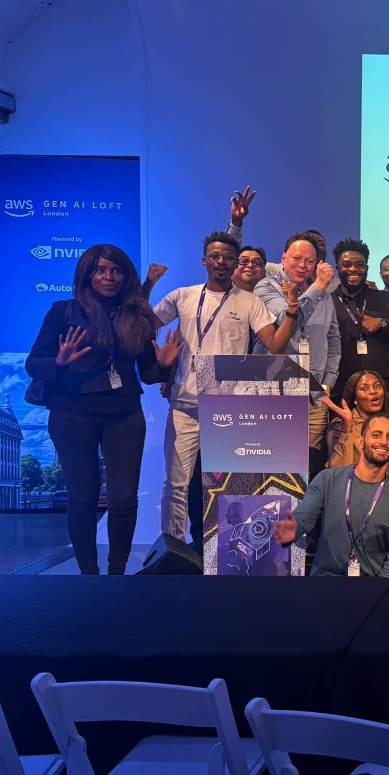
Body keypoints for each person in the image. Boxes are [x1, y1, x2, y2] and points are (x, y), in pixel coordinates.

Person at [26, 244, 176, 574]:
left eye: (117, 270)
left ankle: (116, 574)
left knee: (124, 498)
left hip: (124, 415)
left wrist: (165, 365)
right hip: (72, 414)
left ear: (126, 276)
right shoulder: (63, 311)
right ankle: (89, 575)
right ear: (87, 275)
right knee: (83, 497)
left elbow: (148, 373)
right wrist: (58, 362)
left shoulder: (136, 317)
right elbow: (33, 363)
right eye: (101, 270)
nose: (110, 277)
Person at [153, 231, 298, 542]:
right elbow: (144, 325)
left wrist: (292, 310)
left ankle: (225, 553)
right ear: (204, 260)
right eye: (215, 256)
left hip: (228, 408)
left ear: (234, 264)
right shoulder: (183, 296)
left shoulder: (249, 302)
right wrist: (160, 364)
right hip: (185, 405)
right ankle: (173, 550)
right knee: (176, 484)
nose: (221, 261)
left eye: (228, 257)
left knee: (230, 488)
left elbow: (275, 346)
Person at [272, 413, 389, 579]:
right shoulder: (327, 479)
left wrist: (380, 587)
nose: (383, 442)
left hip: (372, 585)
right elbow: (304, 518)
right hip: (326, 582)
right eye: (376, 435)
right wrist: (294, 529)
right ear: (360, 442)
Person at [254, 232, 341, 473]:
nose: (303, 266)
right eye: (297, 259)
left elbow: (334, 339)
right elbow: (288, 321)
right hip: (277, 389)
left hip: (314, 392)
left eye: (309, 261)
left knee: (310, 466)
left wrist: (328, 382)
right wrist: (319, 285)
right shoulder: (267, 287)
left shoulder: (323, 296)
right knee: (277, 465)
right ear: (283, 258)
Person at [329, 238, 389, 427]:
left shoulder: (386, 300)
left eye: (359, 265)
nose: (353, 269)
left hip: (383, 392)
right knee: (343, 444)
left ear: (367, 267)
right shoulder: (327, 302)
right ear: (337, 267)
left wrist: (382, 323)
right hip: (340, 391)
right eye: (347, 265)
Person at [322, 370, 389, 469]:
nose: (373, 391)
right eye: (364, 388)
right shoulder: (340, 424)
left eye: (377, 386)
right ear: (354, 397)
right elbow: (338, 470)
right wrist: (347, 427)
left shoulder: (388, 424)